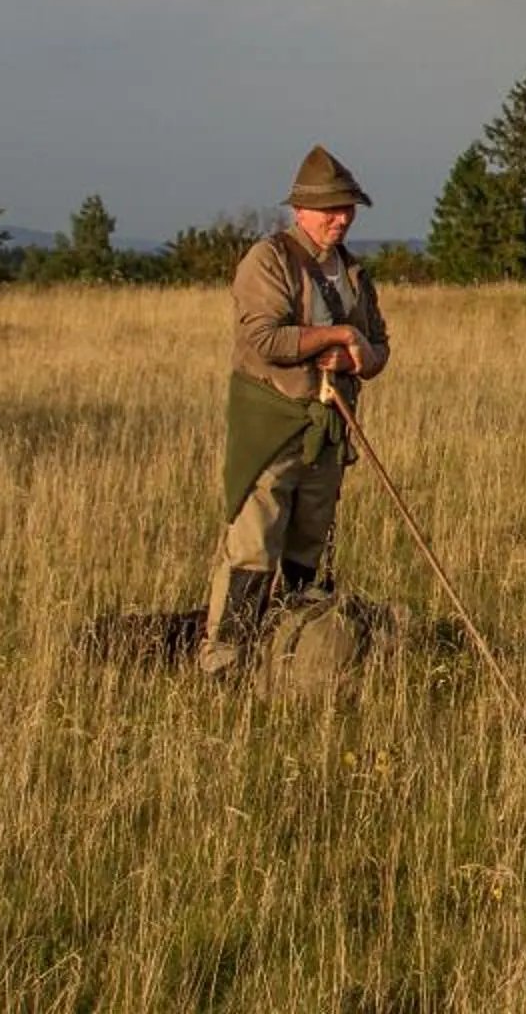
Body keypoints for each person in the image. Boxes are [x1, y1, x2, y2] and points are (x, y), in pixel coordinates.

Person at [199, 145, 393, 677]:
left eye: (348, 207)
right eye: (331, 208)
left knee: (310, 542)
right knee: (254, 545)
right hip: (272, 423)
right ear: (299, 210)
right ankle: (225, 663)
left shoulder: (353, 273)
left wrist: (359, 355)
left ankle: (290, 653)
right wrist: (337, 334)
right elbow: (264, 339)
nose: (341, 218)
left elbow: (379, 348)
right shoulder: (269, 260)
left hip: (329, 427)